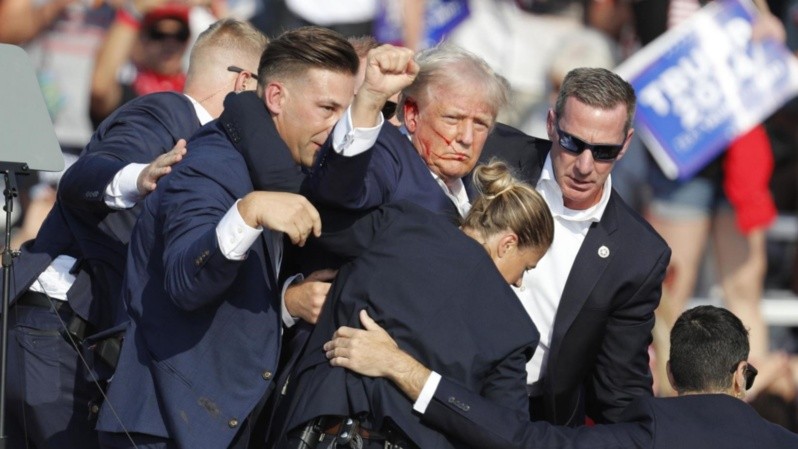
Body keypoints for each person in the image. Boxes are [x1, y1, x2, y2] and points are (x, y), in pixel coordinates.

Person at [94, 27, 417, 449]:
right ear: (276, 97)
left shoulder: (285, 163)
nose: (335, 126)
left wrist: (287, 300)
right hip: (161, 428)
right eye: (326, 108)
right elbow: (185, 282)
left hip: (215, 427)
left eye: (345, 111)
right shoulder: (207, 166)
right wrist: (248, 214)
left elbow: (242, 289)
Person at [4, 18, 267, 449]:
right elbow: (83, 177)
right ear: (243, 83)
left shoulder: (220, 151)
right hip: (54, 333)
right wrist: (138, 175)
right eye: (265, 91)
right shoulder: (165, 112)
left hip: (72, 342)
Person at [273, 160, 554, 449]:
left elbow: (318, 228)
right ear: (507, 243)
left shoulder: (401, 222)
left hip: (312, 428)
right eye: (526, 267)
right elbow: (505, 431)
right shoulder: (514, 329)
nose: (519, 282)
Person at [477, 67, 671, 426]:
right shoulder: (491, 152)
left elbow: (620, 387)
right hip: (444, 383)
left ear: (626, 145)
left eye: (603, 152)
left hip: (534, 421)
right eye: (572, 143)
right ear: (552, 124)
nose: (585, 165)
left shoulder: (639, 254)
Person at [323, 305, 798, 448]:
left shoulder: (645, 434)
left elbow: (516, 439)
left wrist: (399, 365)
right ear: (742, 374)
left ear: (670, 375)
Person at [304, 43, 508, 223]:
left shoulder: (482, 184)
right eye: (452, 119)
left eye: (480, 124)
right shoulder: (386, 155)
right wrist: (371, 98)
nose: (466, 138)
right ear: (412, 114)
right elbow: (339, 190)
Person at [89, 1, 192, 127]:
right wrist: (132, 12)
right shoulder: (129, 95)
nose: (170, 44)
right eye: (158, 35)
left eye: (180, 35)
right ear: (140, 39)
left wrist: (214, 5)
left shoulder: (195, 94)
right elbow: (100, 89)